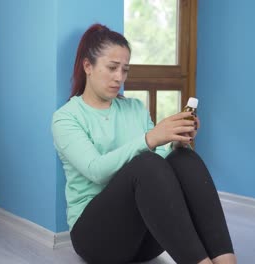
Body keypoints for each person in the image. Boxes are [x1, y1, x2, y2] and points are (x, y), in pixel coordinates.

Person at [52, 23, 236, 264]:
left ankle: (226, 261)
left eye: (125, 70)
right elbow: (96, 171)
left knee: (183, 158)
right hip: (96, 239)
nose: (119, 77)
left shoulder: (134, 108)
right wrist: (150, 139)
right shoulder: (66, 117)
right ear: (88, 66)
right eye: (112, 68)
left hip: (145, 240)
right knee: (145, 164)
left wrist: (175, 142)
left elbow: (159, 162)